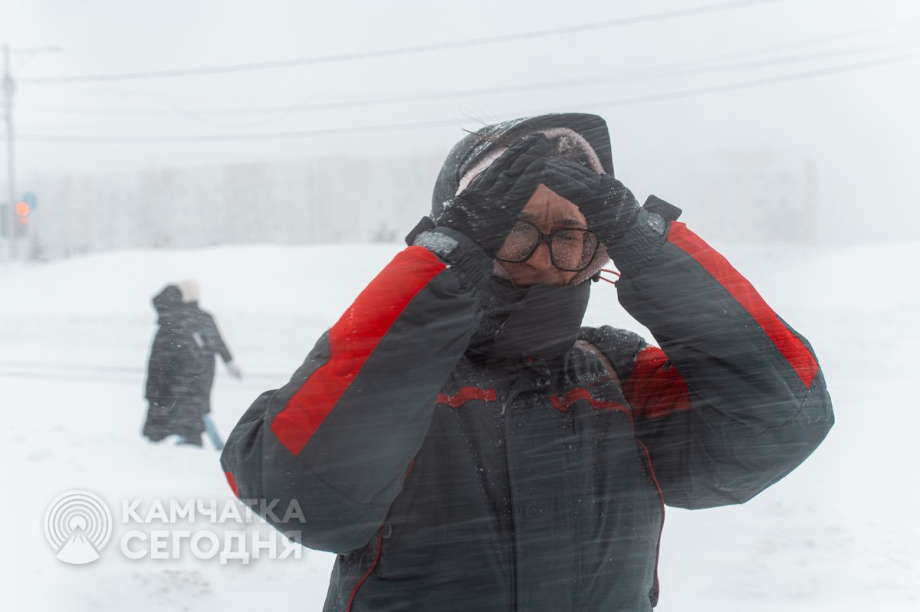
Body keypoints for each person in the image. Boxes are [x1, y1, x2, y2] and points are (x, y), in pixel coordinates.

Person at [220, 113, 833, 610]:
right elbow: (305, 499)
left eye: (570, 235)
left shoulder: (615, 374)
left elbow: (779, 422)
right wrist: (440, 267)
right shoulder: (399, 372)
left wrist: (646, 243)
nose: (543, 257)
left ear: (596, 254)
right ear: (469, 239)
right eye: (514, 228)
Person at [143, 280, 242, 448]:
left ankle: (197, 442)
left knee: (188, 410)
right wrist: (229, 362)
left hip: (181, 376)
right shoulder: (201, 318)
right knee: (197, 409)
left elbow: (164, 356)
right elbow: (218, 342)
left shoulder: (175, 319)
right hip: (201, 374)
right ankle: (213, 443)